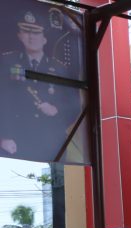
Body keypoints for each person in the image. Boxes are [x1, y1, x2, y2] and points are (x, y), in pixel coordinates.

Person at [0, 10, 76, 161]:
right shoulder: (6, 62)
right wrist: (3, 137)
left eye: (36, 33)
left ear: (44, 39)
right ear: (19, 35)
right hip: (15, 143)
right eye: (26, 31)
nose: (30, 37)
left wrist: (56, 110)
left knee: (58, 184)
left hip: (52, 144)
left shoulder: (60, 68)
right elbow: (3, 102)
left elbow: (74, 105)